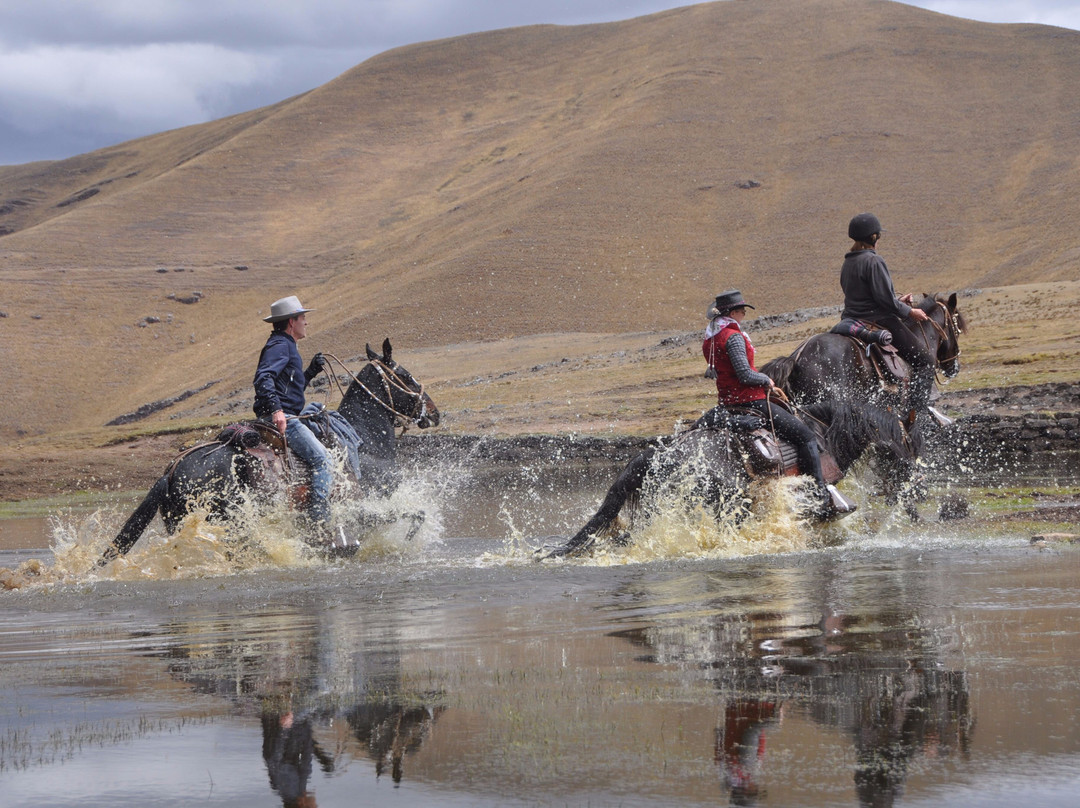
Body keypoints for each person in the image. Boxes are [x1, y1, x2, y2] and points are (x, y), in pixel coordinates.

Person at [703, 289, 851, 515]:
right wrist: (767, 380)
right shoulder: (733, 337)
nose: (744, 314)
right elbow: (745, 375)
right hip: (750, 401)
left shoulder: (713, 336)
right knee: (805, 436)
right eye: (742, 310)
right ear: (733, 312)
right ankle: (818, 494)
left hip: (727, 402)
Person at [839, 213, 934, 413]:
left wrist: (897, 302)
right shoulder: (874, 261)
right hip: (878, 320)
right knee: (925, 362)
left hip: (851, 320)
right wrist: (909, 311)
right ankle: (919, 415)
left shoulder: (848, 262)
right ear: (874, 237)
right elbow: (884, 301)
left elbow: (866, 297)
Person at [253, 295, 332, 530]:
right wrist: (277, 410)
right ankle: (319, 523)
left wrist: (310, 372)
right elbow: (263, 377)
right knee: (323, 460)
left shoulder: (285, 345)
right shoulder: (280, 345)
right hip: (283, 418)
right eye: (303, 318)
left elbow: (287, 390)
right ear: (291, 322)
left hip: (283, 412)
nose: (306, 322)